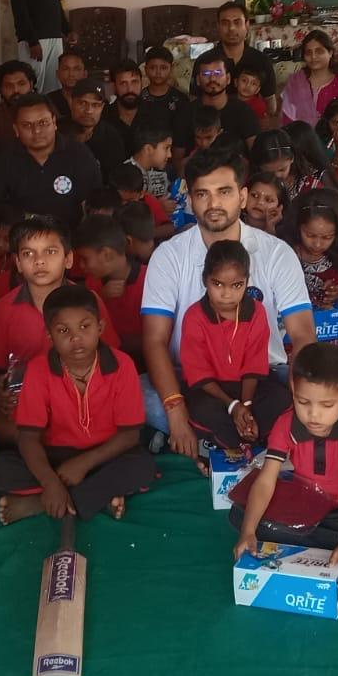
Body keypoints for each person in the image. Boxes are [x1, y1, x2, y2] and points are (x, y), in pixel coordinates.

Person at [141, 147, 316, 460]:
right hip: (193, 378)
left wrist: (302, 394)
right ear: (190, 199)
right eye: (202, 194)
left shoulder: (276, 253)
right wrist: (175, 410)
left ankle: (212, 440)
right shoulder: (168, 256)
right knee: (141, 394)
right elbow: (154, 340)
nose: (214, 204)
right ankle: (256, 437)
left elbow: (303, 333)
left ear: (243, 196)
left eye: (224, 192)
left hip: (262, 375)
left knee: (316, 390)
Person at [0, 286, 155, 524]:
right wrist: (50, 481)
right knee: (1, 467)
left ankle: (40, 503)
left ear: (100, 328)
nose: (76, 338)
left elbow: (129, 435)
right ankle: (95, 498)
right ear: (49, 336)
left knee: (142, 466)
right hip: (56, 456)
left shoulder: (122, 365)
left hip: (106, 453)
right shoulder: (38, 369)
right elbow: (28, 438)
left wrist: (83, 464)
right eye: (63, 330)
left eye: (85, 327)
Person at [231, 344, 338, 581]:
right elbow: (265, 481)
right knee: (240, 515)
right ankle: (319, 540)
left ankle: (321, 541)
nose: (313, 415)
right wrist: (248, 531)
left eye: (326, 405)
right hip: (305, 505)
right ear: (293, 391)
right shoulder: (285, 423)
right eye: (303, 402)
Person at [0, 215, 124, 441]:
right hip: (25, 413)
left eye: (51, 252)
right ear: (18, 263)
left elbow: (113, 363)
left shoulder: (90, 302)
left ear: (68, 259)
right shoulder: (4, 309)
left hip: (82, 408)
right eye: (28, 254)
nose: (39, 261)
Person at [180, 239, 292, 454]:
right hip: (211, 390)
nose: (227, 294)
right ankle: (244, 444)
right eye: (218, 284)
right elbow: (198, 373)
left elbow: (254, 364)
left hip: (247, 386)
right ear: (205, 280)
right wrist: (233, 406)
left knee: (280, 399)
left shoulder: (256, 312)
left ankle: (246, 435)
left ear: (247, 282)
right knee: (201, 410)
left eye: (237, 285)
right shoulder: (194, 316)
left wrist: (246, 406)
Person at [0, 94, 103, 233]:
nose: (36, 131)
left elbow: (95, 206)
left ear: (54, 122)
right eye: (27, 125)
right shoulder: (6, 159)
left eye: (43, 123)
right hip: (22, 237)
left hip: (71, 236)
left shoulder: (79, 154)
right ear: (16, 129)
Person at [74, 214, 147, 361]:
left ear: (106, 254)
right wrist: (99, 298)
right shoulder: (92, 283)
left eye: (84, 259)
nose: (81, 266)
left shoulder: (149, 279)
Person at [173, 52, 260, 165]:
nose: (212, 78)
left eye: (218, 73)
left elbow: (257, 155)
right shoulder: (186, 113)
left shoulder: (244, 112)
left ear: (228, 78)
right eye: (206, 73)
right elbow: (177, 160)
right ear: (198, 80)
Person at [289, 187, 338, 308]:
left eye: (327, 237)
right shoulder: (285, 252)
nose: (317, 244)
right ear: (298, 227)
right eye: (310, 235)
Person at [207, 2, 277, 117]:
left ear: (247, 25)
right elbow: (195, 103)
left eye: (237, 22)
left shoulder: (262, 60)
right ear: (218, 26)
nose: (231, 28)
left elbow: (271, 106)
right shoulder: (206, 60)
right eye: (225, 23)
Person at [282, 30, 338, 125]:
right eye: (308, 53)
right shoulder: (295, 82)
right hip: (299, 133)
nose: (313, 57)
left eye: (319, 51)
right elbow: (287, 119)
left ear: (330, 52)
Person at [63, 78, 129, 180]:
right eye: (82, 103)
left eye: (95, 105)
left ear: (102, 107)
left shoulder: (111, 138)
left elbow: (116, 181)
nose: (89, 110)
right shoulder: (56, 131)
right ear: (71, 102)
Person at [103, 59, 168, 154]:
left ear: (141, 83)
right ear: (114, 86)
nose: (130, 89)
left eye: (134, 82)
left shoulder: (157, 114)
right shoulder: (103, 117)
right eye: (123, 83)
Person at [140, 46, 190, 117]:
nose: (158, 72)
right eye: (152, 68)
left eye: (163, 68)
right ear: (146, 69)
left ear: (171, 69)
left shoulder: (181, 99)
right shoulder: (139, 99)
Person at [243, 171, 287, 236]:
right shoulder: (232, 222)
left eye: (268, 200)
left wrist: (270, 229)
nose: (260, 202)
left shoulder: (285, 235)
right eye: (254, 195)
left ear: (280, 206)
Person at [46, 51, 87, 118]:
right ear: (57, 74)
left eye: (76, 69)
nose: (71, 74)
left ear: (85, 74)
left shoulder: (94, 99)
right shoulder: (48, 100)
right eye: (65, 69)